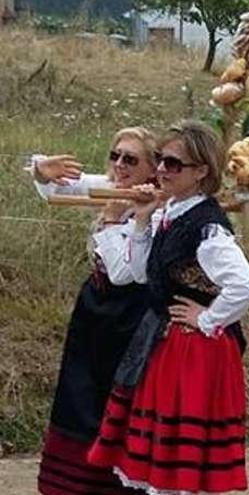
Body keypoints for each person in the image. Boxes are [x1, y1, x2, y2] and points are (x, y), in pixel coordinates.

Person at [87, 121, 249, 494]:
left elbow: (245, 286)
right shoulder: (171, 213)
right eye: (162, 160)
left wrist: (208, 318)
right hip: (169, 346)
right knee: (162, 467)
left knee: (182, 471)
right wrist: (143, 219)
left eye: (174, 164)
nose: (162, 169)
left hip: (196, 351)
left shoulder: (207, 228)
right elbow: (136, 272)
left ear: (201, 172)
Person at [30, 128, 158, 495]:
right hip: (93, 315)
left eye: (130, 159)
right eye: (115, 155)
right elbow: (56, 187)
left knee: (115, 402)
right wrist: (42, 170)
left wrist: (113, 221)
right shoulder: (111, 186)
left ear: (151, 168)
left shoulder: (155, 204)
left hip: (130, 318)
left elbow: (123, 273)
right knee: (78, 397)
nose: (119, 165)